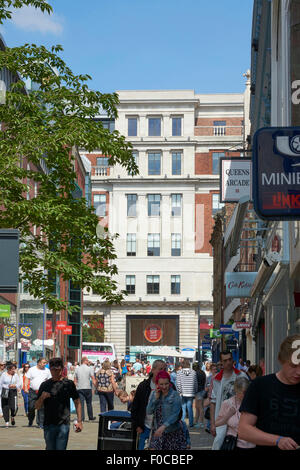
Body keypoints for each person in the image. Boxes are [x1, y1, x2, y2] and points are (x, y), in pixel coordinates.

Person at [239, 334, 300, 451]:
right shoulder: (260, 385)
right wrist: (277, 440)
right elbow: (244, 429)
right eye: (294, 366)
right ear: (281, 360)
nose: (299, 372)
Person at [35, 357, 82, 450]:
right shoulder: (45, 385)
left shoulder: (68, 384)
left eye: (58, 370)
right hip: (48, 424)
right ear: (50, 370)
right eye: (53, 370)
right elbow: (37, 406)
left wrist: (79, 421)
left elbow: (77, 402)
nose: (55, 372)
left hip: (63, 424)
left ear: (62, 369)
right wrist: (42, 397)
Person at [210, 350, 248, 450]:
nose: (228, 362)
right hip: (222, 417)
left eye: (230, 359)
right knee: (219, 443)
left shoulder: (241, 376)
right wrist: (213, 424)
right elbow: (213, 403)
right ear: (221, 362)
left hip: (240, 417)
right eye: (225, 360)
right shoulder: (217, 379)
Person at [131, 359, 167, 450]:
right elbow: (135, 407)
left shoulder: (170, 387)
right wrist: (137, 426)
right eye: (160, 369)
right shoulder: (143, 386)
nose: (163, 372)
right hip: (145, 427)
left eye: (165, 369)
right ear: (153, 370)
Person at [146, 370, 187, 450]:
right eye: (161, 384)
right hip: (157, 431)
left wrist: (164, 426)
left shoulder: (175, 395)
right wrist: (155, 399)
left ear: (170, 383)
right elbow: (148, 411)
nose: (164, 387)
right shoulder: (155, 394)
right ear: (157, 384)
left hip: (171, 432)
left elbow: (175, 414)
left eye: (166, 384)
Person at [215, 376, 255, 450]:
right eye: (244, 392)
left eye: (248, 391)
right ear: (237, 391)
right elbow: (217, 423)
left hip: (252, 444)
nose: (247, 395)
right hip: (234, 444)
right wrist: (228, 415)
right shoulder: (227, 403)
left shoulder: (254, 403)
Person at [25, 357, 51, 428]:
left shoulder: (47, 371)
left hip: (42, 392)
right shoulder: (31, 370)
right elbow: (27, 378)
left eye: (45, 363)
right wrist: (25, 387)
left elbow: (50, 381)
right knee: (31, 407)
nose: (45, 364)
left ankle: (40, 423)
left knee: (41, 408)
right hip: (32, 391)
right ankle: (30, 420)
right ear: (39, 363)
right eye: (43, 363)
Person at [176, 359, 198, 428]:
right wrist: (195, 391)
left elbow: (178, 383)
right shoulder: (193, 372)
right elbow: (195, 383)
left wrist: (180, 391)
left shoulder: (179, 372)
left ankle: (182, 423)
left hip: (183, 393)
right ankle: (191, 424)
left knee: (183, 408)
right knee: (190, 408)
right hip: (191, 393)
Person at [74, 356, 97, 422]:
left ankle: (82, 418)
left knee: (81, 404)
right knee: (89, 403)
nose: (88, 362)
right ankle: (90, 417)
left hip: (80, 388)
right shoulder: (89, 369)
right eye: (87, 361)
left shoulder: (77, 369)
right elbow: (93, 378)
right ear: (85, 361)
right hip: (87, 387)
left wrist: (76, 386)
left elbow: (75, 380)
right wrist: (95, 387)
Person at [0, 362, 22, 427]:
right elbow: (0, 384)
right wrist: (0, 392)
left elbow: (19, 383)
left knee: (14, 406)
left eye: (14, 369)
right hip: (5, 391)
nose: (14, 370)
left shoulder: (15, 375)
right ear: (8, 369)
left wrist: (15, 386)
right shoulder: (4, 374)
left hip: (13, 391)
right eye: (12, 369)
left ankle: (12, 416)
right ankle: (6, 421)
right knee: (5, 406)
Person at [193, 362, 206, 429]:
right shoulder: (203, 372)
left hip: (198, 391)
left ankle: (200, 422)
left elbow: (195, 383)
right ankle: (197, 421)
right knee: (199, 407)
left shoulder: (195, 373)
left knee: (199, 407)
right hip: (202, 390)